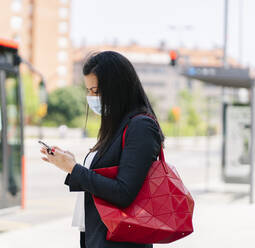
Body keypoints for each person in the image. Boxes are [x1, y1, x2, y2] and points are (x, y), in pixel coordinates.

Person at [40, 51, 165, 248]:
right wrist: (70, 164)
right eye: (88, 90)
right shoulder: (118, 126)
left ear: (118, 88)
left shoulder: (140, 127)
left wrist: (75, 169)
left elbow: (124, 192)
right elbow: (104, 179)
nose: (91, 97)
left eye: (96, 91)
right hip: (98, 238)